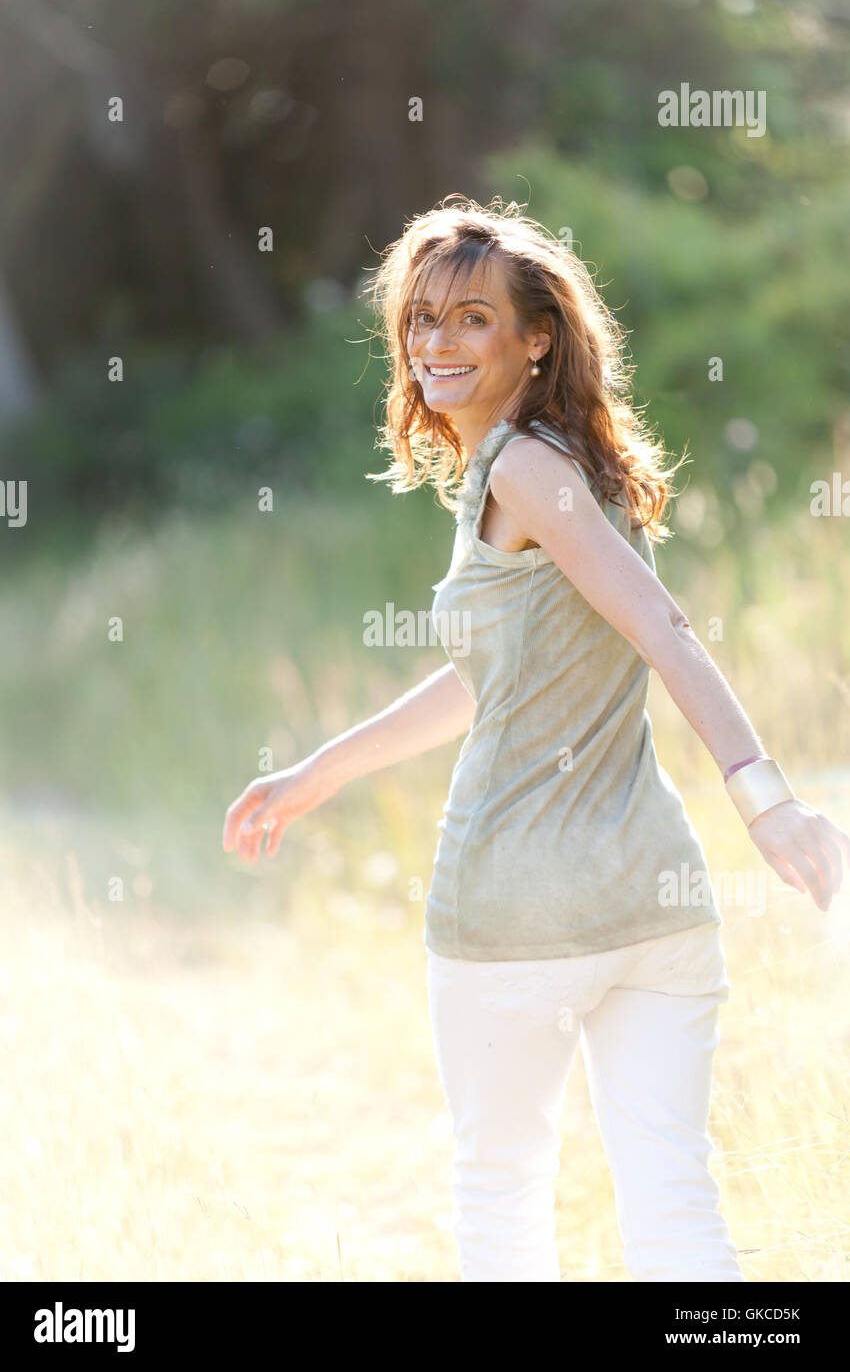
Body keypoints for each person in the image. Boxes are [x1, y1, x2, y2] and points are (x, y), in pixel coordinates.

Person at [222, 196, 849, 1283]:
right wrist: (319, 772)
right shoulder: (566, 468)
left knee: (500, 1196)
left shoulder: (520, 470)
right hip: (651, 902)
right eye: (421, 321)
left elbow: (661, 628)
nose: (435, 343)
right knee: (672, 1195)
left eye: (470, 319)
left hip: (511, 908)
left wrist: (766, 798)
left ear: (536, 337)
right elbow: (484, 683)